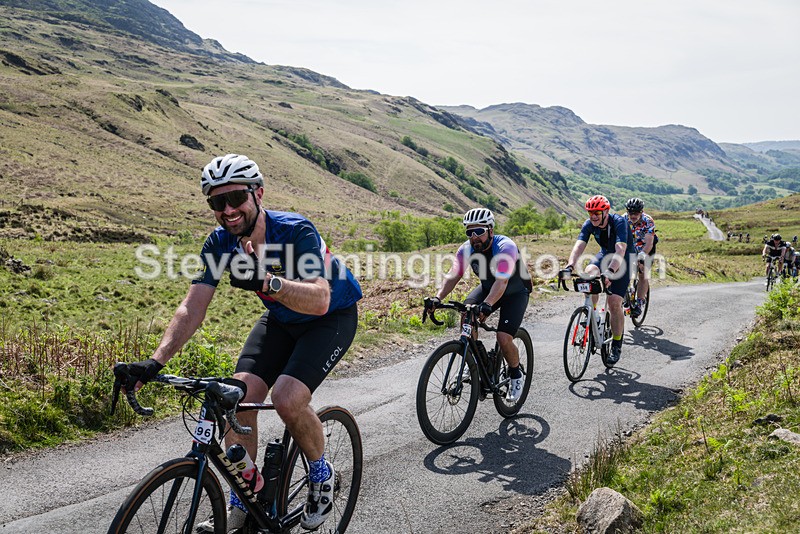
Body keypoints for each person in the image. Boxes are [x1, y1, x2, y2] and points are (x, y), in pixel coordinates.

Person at [123, 154, 362, 532]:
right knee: (237, 397)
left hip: (329, 319)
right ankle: (244, 502)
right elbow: (192, 307)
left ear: (258, 194)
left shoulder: (296, 231)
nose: (228, 210)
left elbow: (320, 299)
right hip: (281, 320)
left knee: (287, 399)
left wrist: (268, 282)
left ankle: (321, 473)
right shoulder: (220, 244)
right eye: (218, 202)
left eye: (236, 198)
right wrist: (154, 362)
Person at [427, 208, 532, 401]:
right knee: (467, 314)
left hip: (515, 291)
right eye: (469, 232)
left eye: (479, 231)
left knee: (503, 337)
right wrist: (437, 297)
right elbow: (453, 276)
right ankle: (475, 360)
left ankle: (516, 374)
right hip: (488, 288)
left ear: (491, 230)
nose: (474, 237)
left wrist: (486, 305)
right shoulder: (466, 249)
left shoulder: (505, 246)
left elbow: (502, 282)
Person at [563, 195, 634, 364]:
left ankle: (616, 343)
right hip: (604, 255)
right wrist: (569, 266)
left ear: (606, 212)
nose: (593, 216)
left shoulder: (619, 222)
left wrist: (610, 271)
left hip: (624, 259)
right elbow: (579, 245)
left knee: (614, 302)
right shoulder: (589, 224)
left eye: (597, 212)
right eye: (590, 212)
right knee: (588, 273)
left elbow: (620, 249)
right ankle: (592, 313)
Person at [623, 197, 658, 318]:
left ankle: (640, 302)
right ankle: (625, 295)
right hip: (630, 248)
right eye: (630, 213)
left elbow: (649, 243)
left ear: (641, 212)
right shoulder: (623, 219)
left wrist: (642, 256)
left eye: (636, 213)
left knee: (643, 271)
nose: (633, 216)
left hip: (646, 248)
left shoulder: (648, 221)